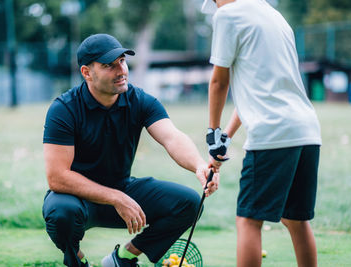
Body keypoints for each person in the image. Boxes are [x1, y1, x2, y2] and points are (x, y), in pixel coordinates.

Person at [42, 33, 218, 267]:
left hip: (123, 189)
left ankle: (122, 258)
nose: (121, 70)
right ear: (86, 72)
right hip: (78, 199)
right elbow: (57, 177)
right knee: (60, 212)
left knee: (188, 203)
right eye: (109, 65)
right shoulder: (64, 109)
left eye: (122, 61)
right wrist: (115, 197)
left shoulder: (139, 100)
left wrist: (198, 166)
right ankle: (79, 261)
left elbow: (172, 137)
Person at [201, 0, 322, 266]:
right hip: (306, 130)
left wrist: (212, 134)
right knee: (296, 219)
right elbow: (253, 92)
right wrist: (225, 138)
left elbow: (219, 81)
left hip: (273, 132)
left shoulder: (227, 16)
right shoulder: (275, 16)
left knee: (248, 219)